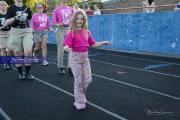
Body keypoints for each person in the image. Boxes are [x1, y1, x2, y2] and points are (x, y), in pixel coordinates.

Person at [64, 9, 110, 110]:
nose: (79, 21)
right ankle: (78, 101)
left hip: (85, 59)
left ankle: (81, 95)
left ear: (84, 20)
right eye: (77, 19)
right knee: (79, 81)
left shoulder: (87, 32)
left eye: (82, 19)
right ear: (74, 20)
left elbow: (94, 44)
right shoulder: (71, 33)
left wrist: (104, 43)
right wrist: (67, 48)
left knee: (88, 80)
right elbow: (66, 45)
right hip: (75, 58)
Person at [5, 0, 33, 80]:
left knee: (28, 52)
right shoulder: (11, 9)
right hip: (15, 31)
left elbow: (29, 18)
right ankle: (20, 73)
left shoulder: (27, 7)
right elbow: (7, 22)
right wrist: (15, 17)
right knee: (18, 54)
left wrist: (31, 28)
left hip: (27, 31)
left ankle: (28, 72)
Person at [52, 0, 74, 75]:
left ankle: (71, 67)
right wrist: (59, 24)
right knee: (61, 49)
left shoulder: (71, 9)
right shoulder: (56, 10)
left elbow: (73, 20)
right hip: (60, 30)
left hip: (69, 29)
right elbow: (53, 23)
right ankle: (60, 67)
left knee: (71, 49)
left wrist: (70, 28)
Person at [0, 0, 11, 70]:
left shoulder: (8, 14)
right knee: (3, 49)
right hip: (1, 33)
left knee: (10, 48)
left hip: (9, 32)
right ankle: (5, 63)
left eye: (5, 5)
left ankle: (6, 60)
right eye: (2, 5)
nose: (4, 6)